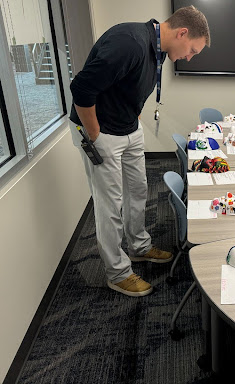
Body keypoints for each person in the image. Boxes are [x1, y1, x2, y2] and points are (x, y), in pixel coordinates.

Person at [69, 6, 210, 297]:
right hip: (102, 131)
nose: (189, 57)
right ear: (182, 33)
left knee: (137, 189)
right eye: (192, 50)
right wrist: (95, 134)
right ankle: (117, 273)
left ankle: (138, 247)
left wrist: (133, 118)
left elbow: (128, 85)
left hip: (128, 127)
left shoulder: (156, 49)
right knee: (110, 203)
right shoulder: (129, 42)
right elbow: (81, 88)